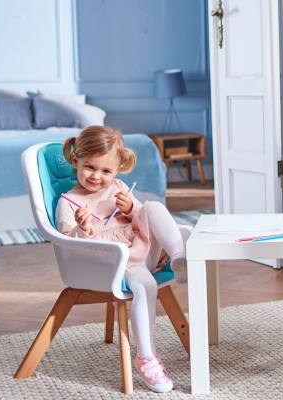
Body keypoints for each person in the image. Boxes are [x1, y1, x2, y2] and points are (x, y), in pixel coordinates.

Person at [55, 125, 187, 393]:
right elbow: (67, 242)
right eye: (90, 167)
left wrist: (132, 209)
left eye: (106, 171)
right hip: (112, 265)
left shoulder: (118, 187)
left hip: (139, 251)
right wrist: (83, 229)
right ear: (75, 161)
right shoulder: (69, 202)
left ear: (117, 170)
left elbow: (140, 221)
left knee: (152, 207)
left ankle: (179, 258)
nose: (97, 176)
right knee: (146, 286)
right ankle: (146, 357)